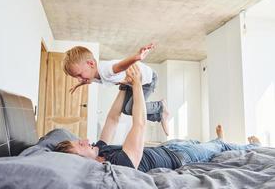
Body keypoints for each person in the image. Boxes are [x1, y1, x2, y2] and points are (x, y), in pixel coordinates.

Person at [55, 65, 261, 173]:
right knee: (217, 148)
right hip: (181, 157)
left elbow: (112, 119)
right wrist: (136, 84)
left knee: (200, 142)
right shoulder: (118, 164)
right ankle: (252, 146)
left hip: (169, 146)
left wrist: (123, 86)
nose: (83, 140)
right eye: (79, 147)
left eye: (77, 141)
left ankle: (218, 140)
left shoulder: (100, 149)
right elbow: (139, 124)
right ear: (80, 162)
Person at [62, 43, 170, 135]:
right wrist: (78, 85)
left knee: (130, 108)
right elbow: (89, 80)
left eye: (79, 75)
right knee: (125, 110)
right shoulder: (91, 74)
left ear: (91, 64)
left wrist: (136, 57)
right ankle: (159, 116)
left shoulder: (105, 70)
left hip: (147, 80)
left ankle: (160, 106)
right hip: (129, 83)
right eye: (76, 77)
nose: (79, 79)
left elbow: (120, 66)